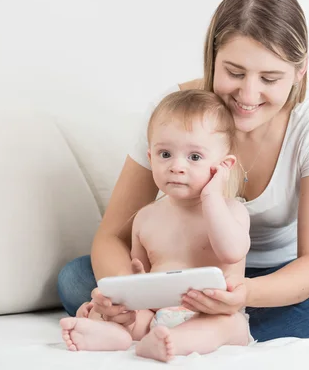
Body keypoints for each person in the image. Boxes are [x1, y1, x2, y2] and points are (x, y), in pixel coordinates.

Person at [57, 0, 309, 343]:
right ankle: (193, 327)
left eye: (270, 78)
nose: (248, 95)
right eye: (234, 73)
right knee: (75, 278)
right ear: (212, 58)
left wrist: (245, 294)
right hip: (182, 276)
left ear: (300, 71)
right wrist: (127, 298)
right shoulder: (172, 112)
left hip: (275, 280)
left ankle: (204, 327)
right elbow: (112, 236)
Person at [60, 90, 252, 362]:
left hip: (214, 313)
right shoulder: (146, 217)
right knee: (116, 309)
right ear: (150, 158)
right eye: (165, 154)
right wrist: (127, 291)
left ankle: (173, 341)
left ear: (224, 166)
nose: (176, 166)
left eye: (194, 157)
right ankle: (112, 334)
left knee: (227, 325)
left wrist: (212, 197)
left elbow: (232, 252)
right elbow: (142, 279)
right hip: (158, 314)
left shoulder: (233, 211)